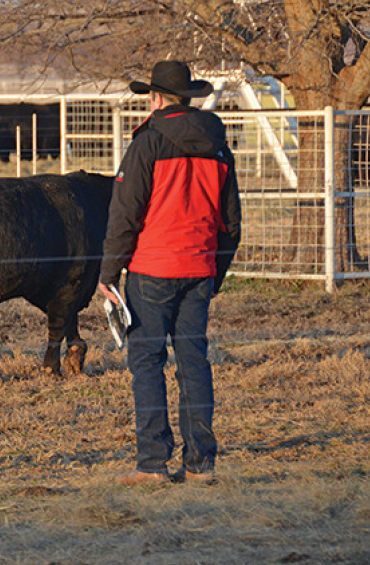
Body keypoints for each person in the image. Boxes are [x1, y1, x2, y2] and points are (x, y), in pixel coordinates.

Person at [98, 61, 242, 486]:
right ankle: (201, 464)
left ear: (156, 98)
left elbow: (124, 214)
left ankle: (152, 463)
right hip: (199, 268)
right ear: (188, 97)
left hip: (151, 270)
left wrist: (108, 273)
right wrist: (216, 271)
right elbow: (231, 221)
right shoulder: (218, 144)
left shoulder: (147, 142)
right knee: (194, 362)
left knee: (147, 363)